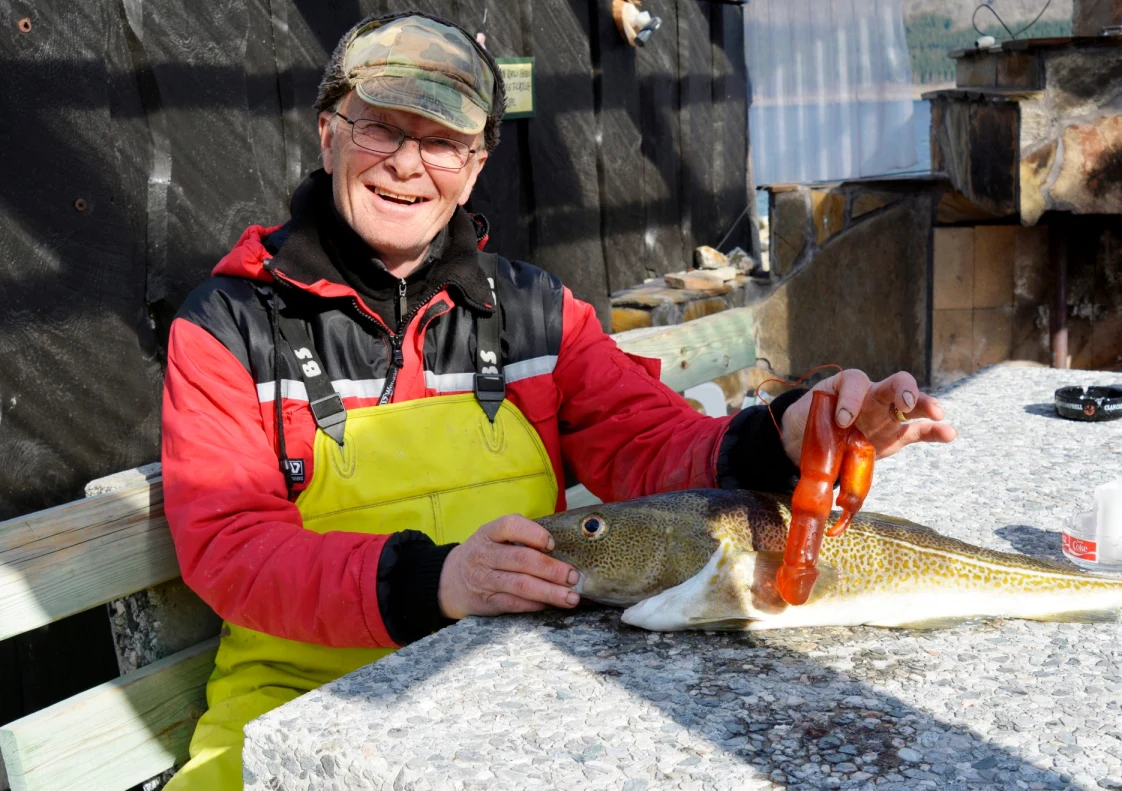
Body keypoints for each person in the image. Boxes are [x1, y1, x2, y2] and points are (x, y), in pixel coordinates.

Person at [160, 10, 956, 789]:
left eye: (441, 140)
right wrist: (438, 581)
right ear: (328, 133)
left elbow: (648, 443)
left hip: (508, 690)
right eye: (379, 128)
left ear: (475, 164)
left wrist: (781, 438)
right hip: (297, 704)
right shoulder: (229, 325)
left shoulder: (534, 311)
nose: (409, 164)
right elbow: (230, 546)